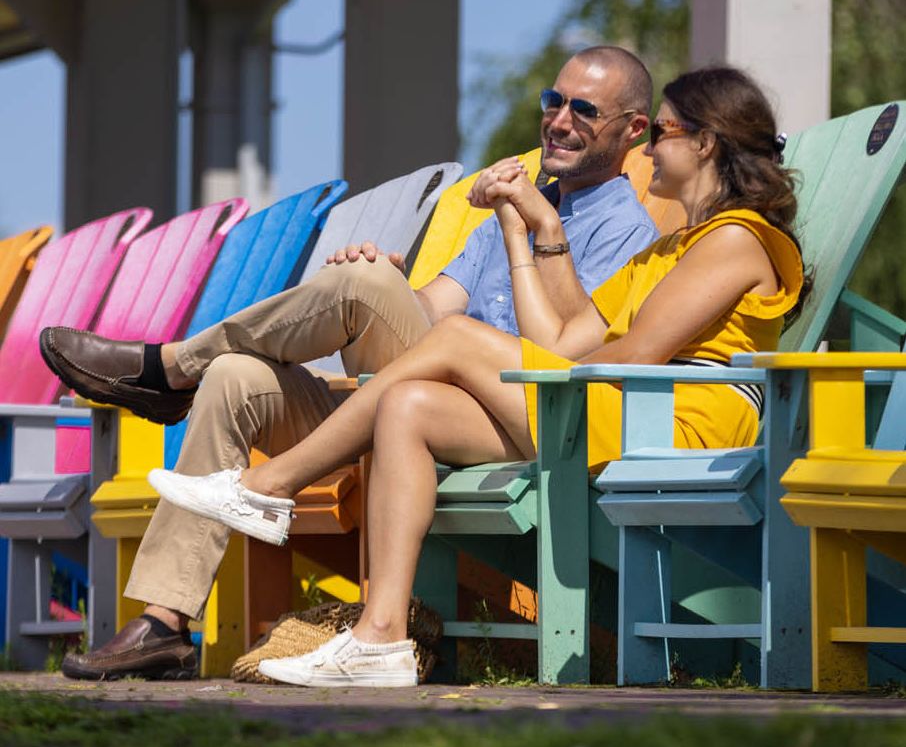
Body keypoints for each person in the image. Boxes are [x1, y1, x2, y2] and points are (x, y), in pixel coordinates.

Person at [146, 65, 808, 688]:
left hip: (675, 419)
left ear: (706, 141)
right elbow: (563, 338)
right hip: (615, 403)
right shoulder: (672, 246)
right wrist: (522, 228)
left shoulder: (736, 239)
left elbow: (634, 353)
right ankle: (380, 636)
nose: (651, 152)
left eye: (662, 132)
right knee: (408, 403)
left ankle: (270, 482)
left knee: (458, 337)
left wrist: (510, 358)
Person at [42, 45, 659, 680]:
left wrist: (523, 224)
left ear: (633, 130)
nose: (558, 121)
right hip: (402, 392)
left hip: (498, 418)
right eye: (552, 102)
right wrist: (383, 281)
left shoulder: (626, 232)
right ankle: (165, 624)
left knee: (353, 295)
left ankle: (171, 369)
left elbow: (559, 353)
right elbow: (430, 310)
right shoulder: (511, 209)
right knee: (238, 379)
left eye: (583, 109)